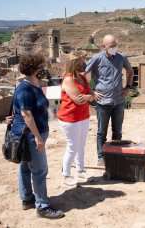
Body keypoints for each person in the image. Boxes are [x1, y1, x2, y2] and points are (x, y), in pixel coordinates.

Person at [10, 54, 64, 219]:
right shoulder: (25, 88)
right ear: (33, 69)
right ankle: (42, 206)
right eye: (41, 67)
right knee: (40, 170)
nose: (44, 69)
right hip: (30, 136)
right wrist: (38, 138)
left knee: (26, 167)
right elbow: (27, 115)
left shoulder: (35, 84)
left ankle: (27, 198)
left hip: (35, 133)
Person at [85, 34, 133, 166]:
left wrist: (127, 86)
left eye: (115, 46)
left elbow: (130, 71)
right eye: (111, 46)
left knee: (117, 131)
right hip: (103, 102)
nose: (114, 48)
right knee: (102, 132)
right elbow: (82, 74)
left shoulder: (121, 57)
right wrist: (91, 91)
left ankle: (116, 155)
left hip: (118, 101)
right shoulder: (96, 58)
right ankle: (101, 157)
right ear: (104, 46)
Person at [57, 51, 95, 187]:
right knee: (72, 147)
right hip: (70, 118)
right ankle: (66, 174)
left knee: (81, 145)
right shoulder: (68, 79)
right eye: (82, 62)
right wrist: (90, 97)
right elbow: (78, 100)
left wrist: (90, 96)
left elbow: (90, 94)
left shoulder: (82, 77)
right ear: (74, 64)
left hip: (83, 116)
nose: (85, 64)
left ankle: (80, 170)